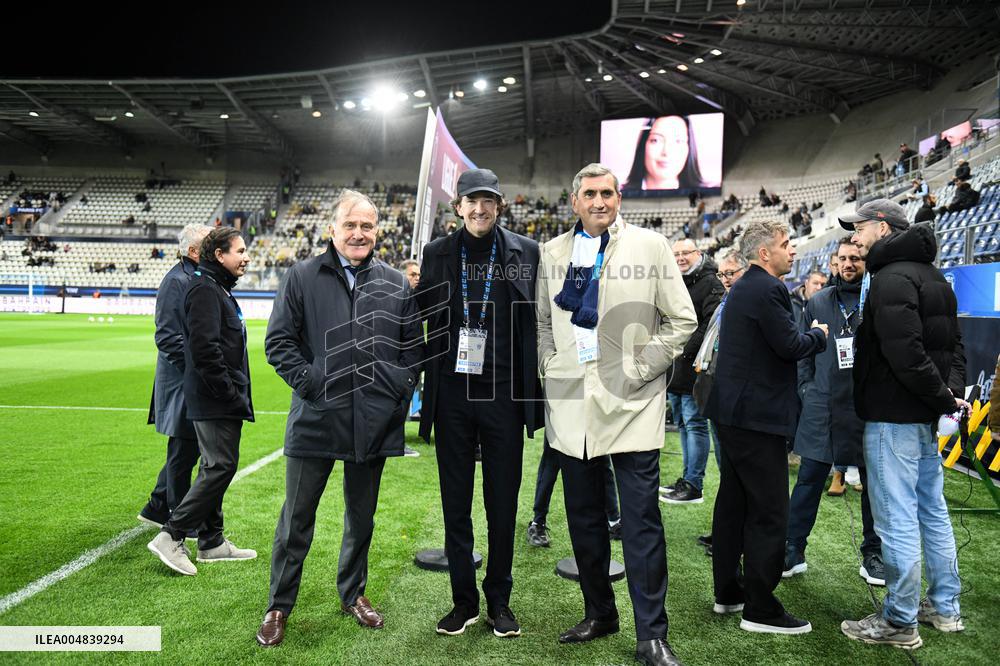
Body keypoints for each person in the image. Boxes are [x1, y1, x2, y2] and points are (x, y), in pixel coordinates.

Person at [538, 163, 697, 666]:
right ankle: (599, 613)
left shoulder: (649, 247)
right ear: (575, 200)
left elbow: (682, 319)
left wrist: (640, 367)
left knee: (641, 522)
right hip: (571, 404)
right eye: (590, 194)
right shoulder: (552, 253)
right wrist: (549, 365)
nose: (599, 201)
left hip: (632, 402)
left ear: (619, 197)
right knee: (584, 520)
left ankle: (653, 635)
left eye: (607, 192)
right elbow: (544, 322)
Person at [256, 190, 424, 647]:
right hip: (316, 418)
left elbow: (413, 351)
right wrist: (313, 385)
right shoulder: (302, 276)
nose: (358, 233)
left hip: (373, 422)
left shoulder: (394, 282)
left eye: (367, 226)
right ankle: (278, 604)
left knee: (361, 517)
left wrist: (393, 396)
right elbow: (279, 344)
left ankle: (354, 594)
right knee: (296, 521)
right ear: (332, 229)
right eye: (350, 224)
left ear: (377, 232)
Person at [416, 168, 542, 639]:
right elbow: (422, 318)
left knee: (502, 503)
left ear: (499, 205)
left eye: (488, 200)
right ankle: (463, 601)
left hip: (504, 397)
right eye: (471, 201)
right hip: (451, 396)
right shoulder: (437, 254)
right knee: (455, 503)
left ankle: (500, 602)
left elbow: (538, 321)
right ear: (458, 206)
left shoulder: (525, 252)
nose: (479, 209)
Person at [839, 199, 967, 649]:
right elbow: (956, 350)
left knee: (897, 520)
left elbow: (906, 355)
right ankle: (946, 608)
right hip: (920, 416)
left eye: (858, 230)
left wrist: (938, 397)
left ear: (882, 226)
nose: (854, 238)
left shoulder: (891, 277)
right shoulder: (933, 275)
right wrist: (945, 398)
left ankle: (899, 620)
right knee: (932, 512)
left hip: (894, 417)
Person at [702, 220, 828, 635]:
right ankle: (760, 607)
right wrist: (818, 334)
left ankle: (729, 592)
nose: (792, 251)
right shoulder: (768, 288)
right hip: (757, 418)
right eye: (785, 244)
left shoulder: (743, 288)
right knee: (770, 510)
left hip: (735, 413)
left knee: (734, 503)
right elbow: (790, 346)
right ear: (763, 254)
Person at [147, 227, 256, 575]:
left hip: (216, 395)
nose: (246, 257)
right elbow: (205, 349)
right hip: (213, 398)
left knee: (215, 465)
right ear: (219, 255)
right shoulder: (206, 290)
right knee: (219, 466)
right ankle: (172, 534)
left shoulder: (215, 287)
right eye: (239, 251)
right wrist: (226, 391)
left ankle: (211, 542)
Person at [784, 237, 884, 585]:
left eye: (855, 258)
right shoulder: (819, 301)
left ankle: (873, 554)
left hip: (866, 408)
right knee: (809, 480)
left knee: (874, 486)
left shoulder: (877, 302)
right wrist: (806, 389)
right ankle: (793, 549)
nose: (848, 263)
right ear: (833, 263)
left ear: (865, 263)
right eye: (842, 258)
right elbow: (803, 352)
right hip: (822, 406)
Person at [138, 224, 212, 529]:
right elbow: (167, 338)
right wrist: (198, 371)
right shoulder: (176, 281)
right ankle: (179, 519)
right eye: (210, 245)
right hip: (182, 381)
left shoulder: (193, 277)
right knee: (184, 448)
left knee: (188, 447)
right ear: (194, 251)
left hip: (190, 379)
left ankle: (157, 506)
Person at [661, 239, 724, 505]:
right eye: (676, 254)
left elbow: (710, 323)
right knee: (684, 424)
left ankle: (694, 484)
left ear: (698, 254)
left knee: (694, 424)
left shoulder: (710, 282)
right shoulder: (679, 281)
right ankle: (687, 478)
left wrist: (684, 349)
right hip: (676, 367)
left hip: (694, 367)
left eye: (686, 253)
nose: (680, 258)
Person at [623, 116, 706, 192]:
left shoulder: (705, 197)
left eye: (678, 141)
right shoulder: (618, 197)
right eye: (656, 140)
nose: (666, 152)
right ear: (643, 146)